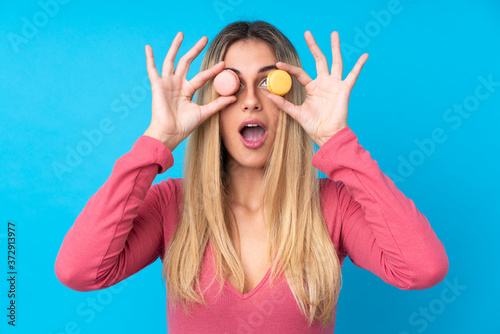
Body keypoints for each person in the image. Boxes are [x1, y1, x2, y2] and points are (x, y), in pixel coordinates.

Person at [55, 21, 449, 333]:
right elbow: (79, 271)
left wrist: (338, 143)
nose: (250, 100)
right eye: (233, 84)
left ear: (289, 100)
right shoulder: (170, 204)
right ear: (213, 103)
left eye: (267, 81)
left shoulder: (332, 205)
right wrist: (157, 140)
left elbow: (422, 269)